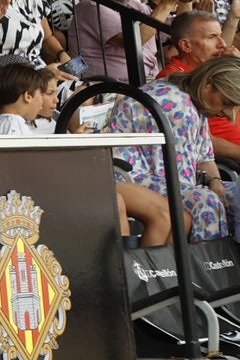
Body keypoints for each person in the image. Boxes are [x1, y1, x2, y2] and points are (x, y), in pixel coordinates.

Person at [103, 58, 240, 244]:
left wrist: (216, 183)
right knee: (207, 202)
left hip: (162, 176)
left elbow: (205, 158)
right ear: (208, 84)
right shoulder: (178, 106)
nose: (230, 115)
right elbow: (176, 177)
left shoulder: (195, 100)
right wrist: (214, 193)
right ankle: (208, 262)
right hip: (130, 176)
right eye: (226, 102)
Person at [0, 63, 58, 136]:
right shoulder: (11, 126)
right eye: (41, 95)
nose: (41, 102)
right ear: (28, 96)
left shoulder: (5, 123)